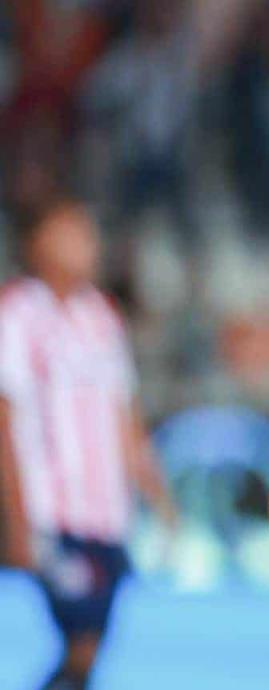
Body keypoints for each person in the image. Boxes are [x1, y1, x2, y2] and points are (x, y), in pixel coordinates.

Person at [0, 200, 177, 690]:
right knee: (82, 644)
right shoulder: (17, 313)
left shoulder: (102, 315)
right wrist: (17, 520)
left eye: (89, 235)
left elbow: (124, 415)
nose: (87, 246)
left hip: (108, 516)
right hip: (53, 513)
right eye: (72, 234)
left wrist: (159, 498)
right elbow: (7, 421)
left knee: (89, 650)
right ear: (38, 244)